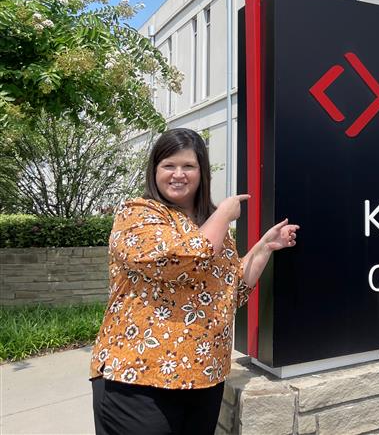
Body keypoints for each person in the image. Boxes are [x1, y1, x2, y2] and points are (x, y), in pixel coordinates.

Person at [89, 128, 298, 435]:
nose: (178, 174)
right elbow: (179, 260)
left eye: (188, 166)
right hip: (138, 378)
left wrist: (264, 247)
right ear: (154, 170)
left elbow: (232, 290)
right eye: (168, 165)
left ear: (202, 172)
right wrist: (225, 214)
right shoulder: (138, 213)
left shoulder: (211, 227)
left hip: (204, 378)